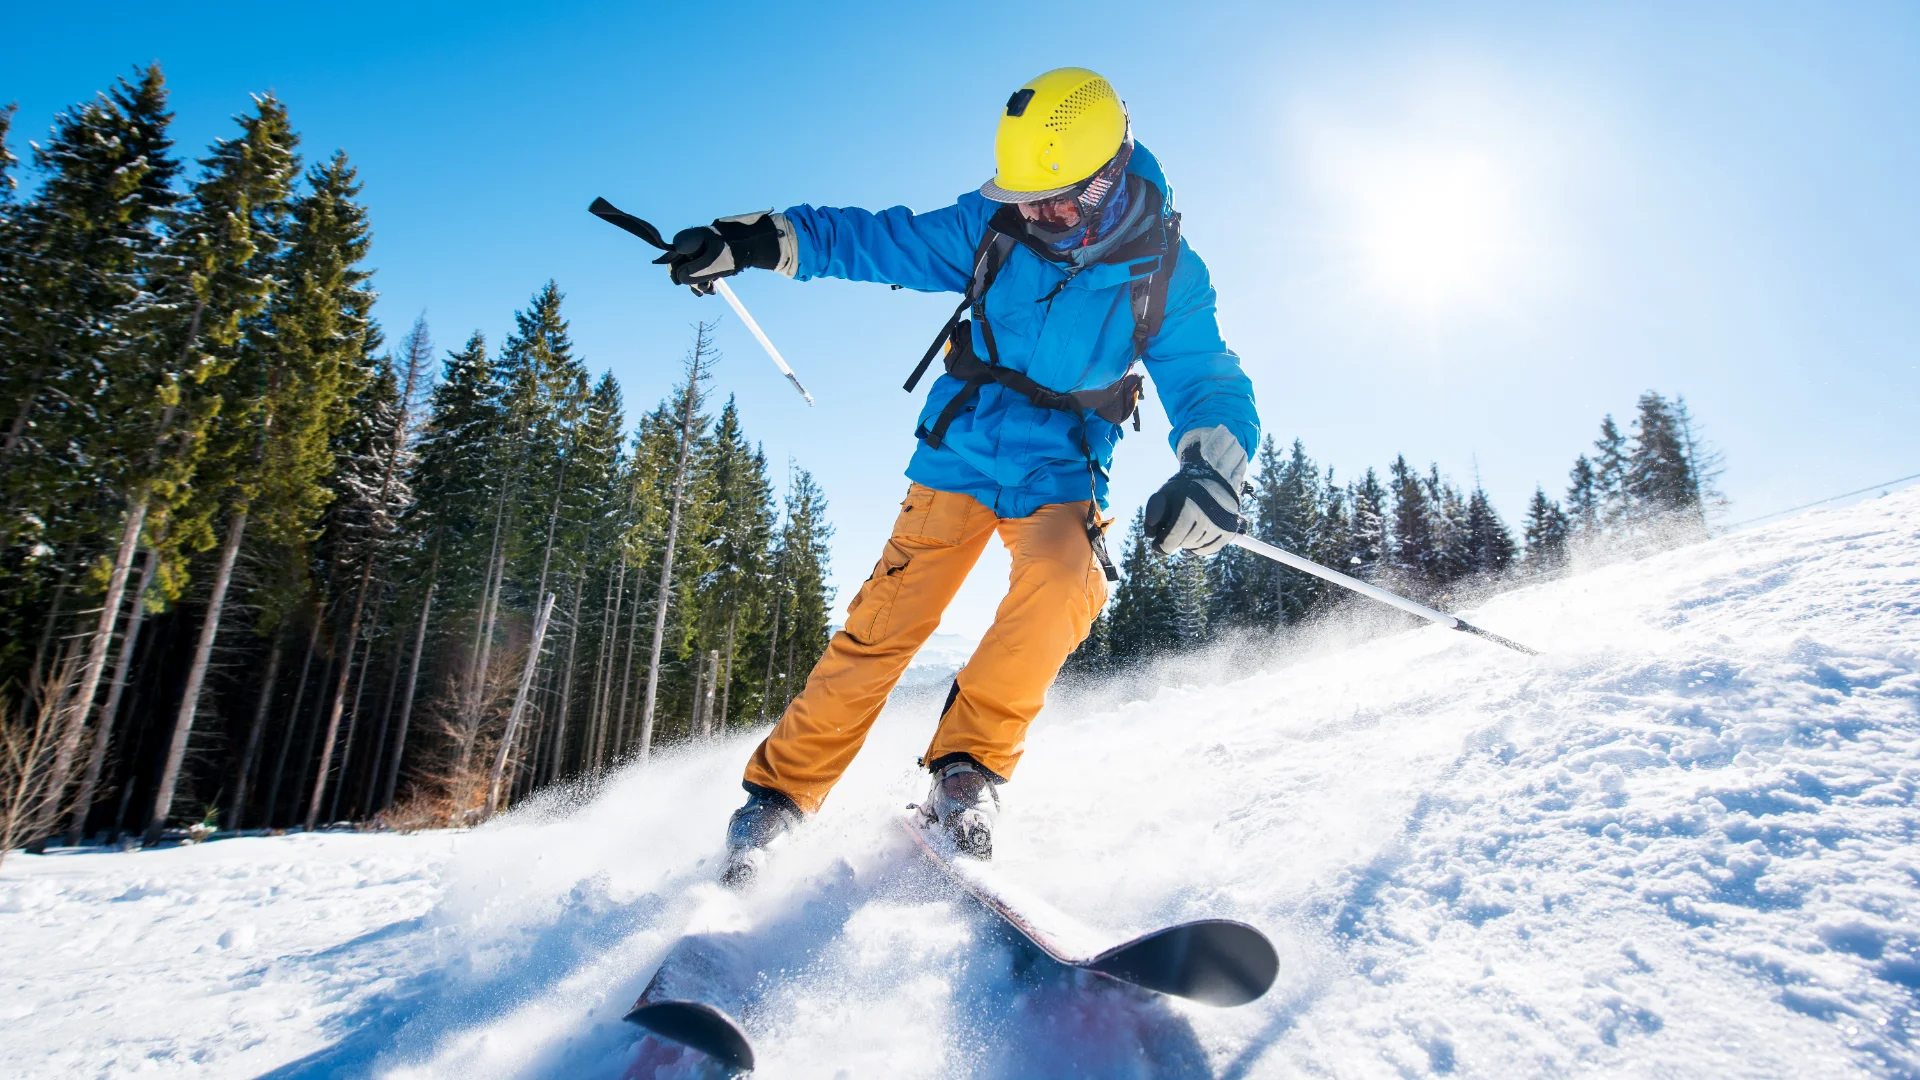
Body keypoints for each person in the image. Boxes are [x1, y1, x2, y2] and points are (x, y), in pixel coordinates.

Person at [656, 67, 1259, 885]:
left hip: (1063, 467)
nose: (1034, 213)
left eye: (1054, 199)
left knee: (1067, 580)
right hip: (960, 451)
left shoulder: (1167, 271)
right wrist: (757, 240)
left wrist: (1213, 473)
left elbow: (1207, 378)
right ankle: (779, 799)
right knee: (886, 623)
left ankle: (967, 765)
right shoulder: (996, 225)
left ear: (1110, 180)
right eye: (1024, 197)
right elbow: (877, 238)